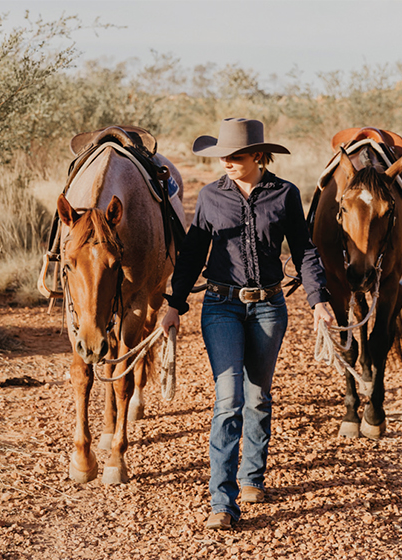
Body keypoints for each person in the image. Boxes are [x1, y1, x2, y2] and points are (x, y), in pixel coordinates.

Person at [160, 118, 333, 530]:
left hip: (270, 305)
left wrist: (318, 299)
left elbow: (305, 250)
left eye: (235, 156)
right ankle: (223, 501)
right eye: (222, 155)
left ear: (258, 155)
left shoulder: (285, 194)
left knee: (258, 396)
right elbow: (191, 254)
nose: (226, 162)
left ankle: (252, 476)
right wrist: (174, 304)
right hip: (220, 306)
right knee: (228, 399)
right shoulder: (210, 197)